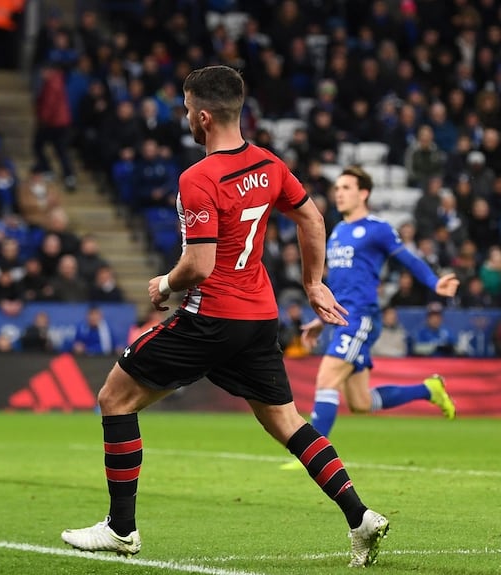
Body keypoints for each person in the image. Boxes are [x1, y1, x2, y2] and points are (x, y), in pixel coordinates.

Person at [60, 66, 389, 569]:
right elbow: (311, 217)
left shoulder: (199, 178)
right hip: (259, 318)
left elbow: (199, 266)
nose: (187, 118)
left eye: (188, 110)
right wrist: (312, 282)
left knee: (114, 398)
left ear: (204, 116)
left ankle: (121, 529)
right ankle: (359, 516)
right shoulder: (269, 163)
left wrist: (164, 285)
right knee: (286, 421)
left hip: (211, 318)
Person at [283, 166, 458, 473]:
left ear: (364, 193)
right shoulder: (337, 232)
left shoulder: (376, 228)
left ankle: (313, 456)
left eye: (346, 187)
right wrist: (320, 319)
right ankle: (429, 389)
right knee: (361, 403)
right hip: (341, 319)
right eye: (337, 188)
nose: (339, 192)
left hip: (361, 318)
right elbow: (338, 287)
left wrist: (434, 282)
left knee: (326, 380)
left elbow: (407, 258)